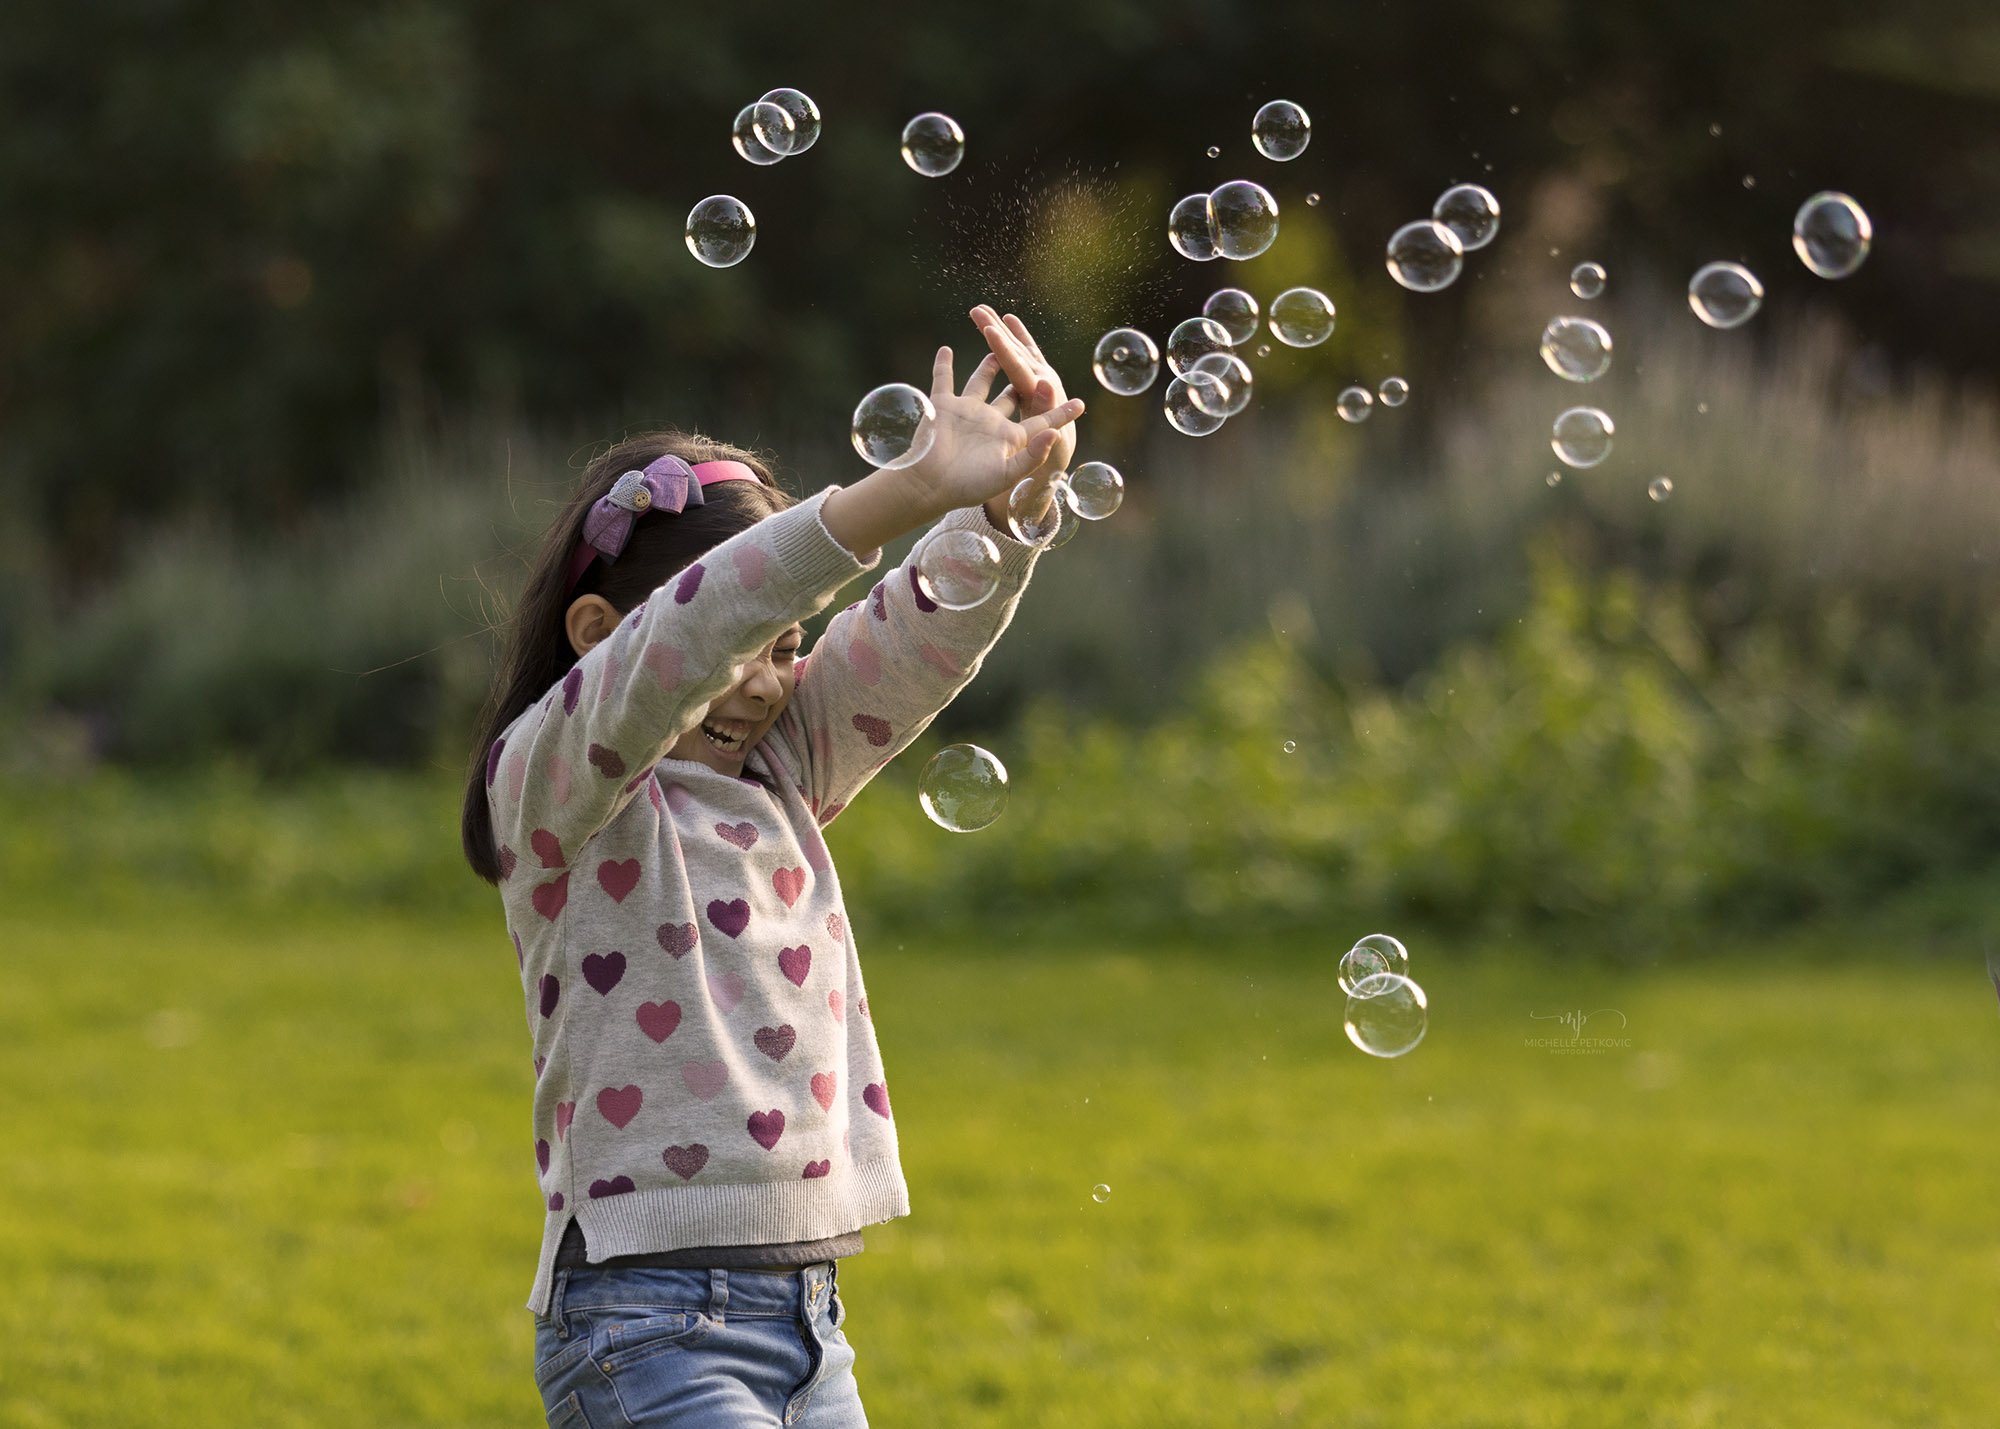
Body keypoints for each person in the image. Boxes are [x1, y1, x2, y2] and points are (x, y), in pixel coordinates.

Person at [459, 306, 1085, 1427]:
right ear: (597, 630)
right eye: (751, 646)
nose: (762, 680)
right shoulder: (559, 790)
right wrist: (890, 497)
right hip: (642, 1327)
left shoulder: (781, 768)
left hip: (809, 1325)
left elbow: (914, 632)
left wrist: (1007, 502)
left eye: (790, 649)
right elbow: (691, 638)